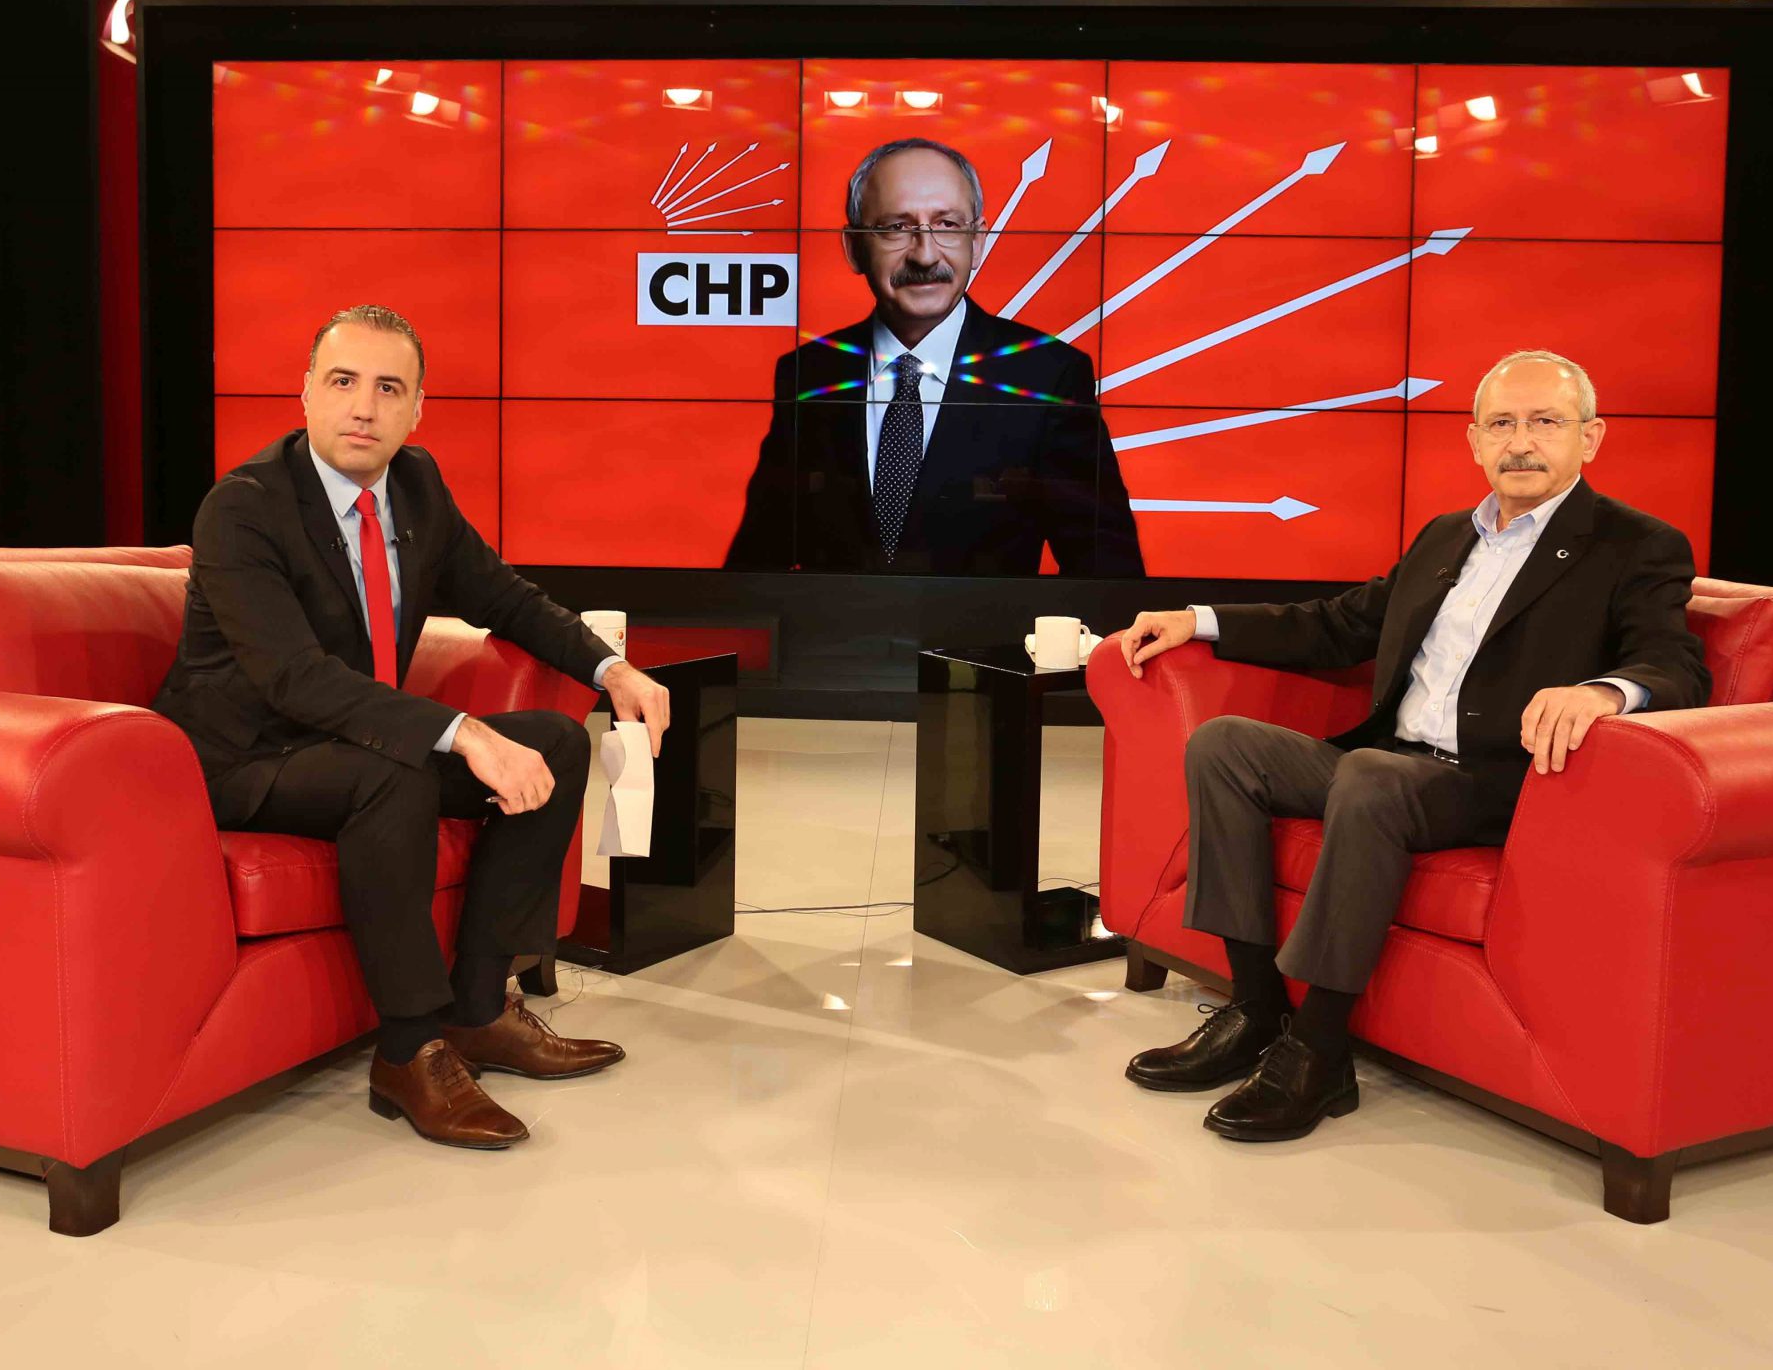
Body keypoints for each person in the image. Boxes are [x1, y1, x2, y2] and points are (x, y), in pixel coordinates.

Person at [1111, 349, 1708, 1143]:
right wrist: (1200, 619)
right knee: (1226, 747)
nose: (1520, 442)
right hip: (1392, 762)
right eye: (1502, 423)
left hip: (1496, 781)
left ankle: (1318, 1050)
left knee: (1370, 775)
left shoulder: (1636, 544)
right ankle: (1255, 1007)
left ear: (1589, 437)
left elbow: (1674, 662)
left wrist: (1603, 691)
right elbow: (1339, 625)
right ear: (1474, 440)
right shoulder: (1444, 536)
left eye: (1545, 422)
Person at [154, 305, 672, 1150]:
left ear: (417, 408)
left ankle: (478, 1011)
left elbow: (505, 597)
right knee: (393, 771)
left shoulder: (417, 485)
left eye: (388, 388)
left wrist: (610, 669)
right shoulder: (243, 507)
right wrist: (463, 731)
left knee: (554, 741)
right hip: (244, 756)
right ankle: (408, 1050)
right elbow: (293, 676)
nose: (364, 406)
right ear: (306, 392)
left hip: (349, 738)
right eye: (343, 381)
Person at [723, 137, 1143, 576]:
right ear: (853, 247)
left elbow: (1109, 576)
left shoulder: (1050, 376)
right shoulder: (807, 373)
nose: (925, 255)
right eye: (895, 227)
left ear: (977, 242)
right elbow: (755, 569)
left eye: (947, 225)